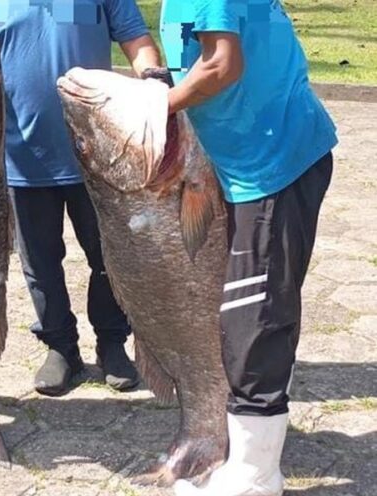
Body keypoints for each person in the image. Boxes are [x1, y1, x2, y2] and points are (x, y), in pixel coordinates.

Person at [144, 1, 337, 495]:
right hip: (264, 159)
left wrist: (156, 109)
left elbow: (221, 64)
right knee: (262, 304)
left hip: (271, 165)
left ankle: (255, 476)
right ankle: (256, 447)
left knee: (254, 318)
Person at [0, 0, 162, 396]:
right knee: (40, 263)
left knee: (110, 257)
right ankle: (61, 347)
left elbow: (136, 40)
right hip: (21, 156)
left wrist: (155, 82)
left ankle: (112, 342)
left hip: (97, 153)